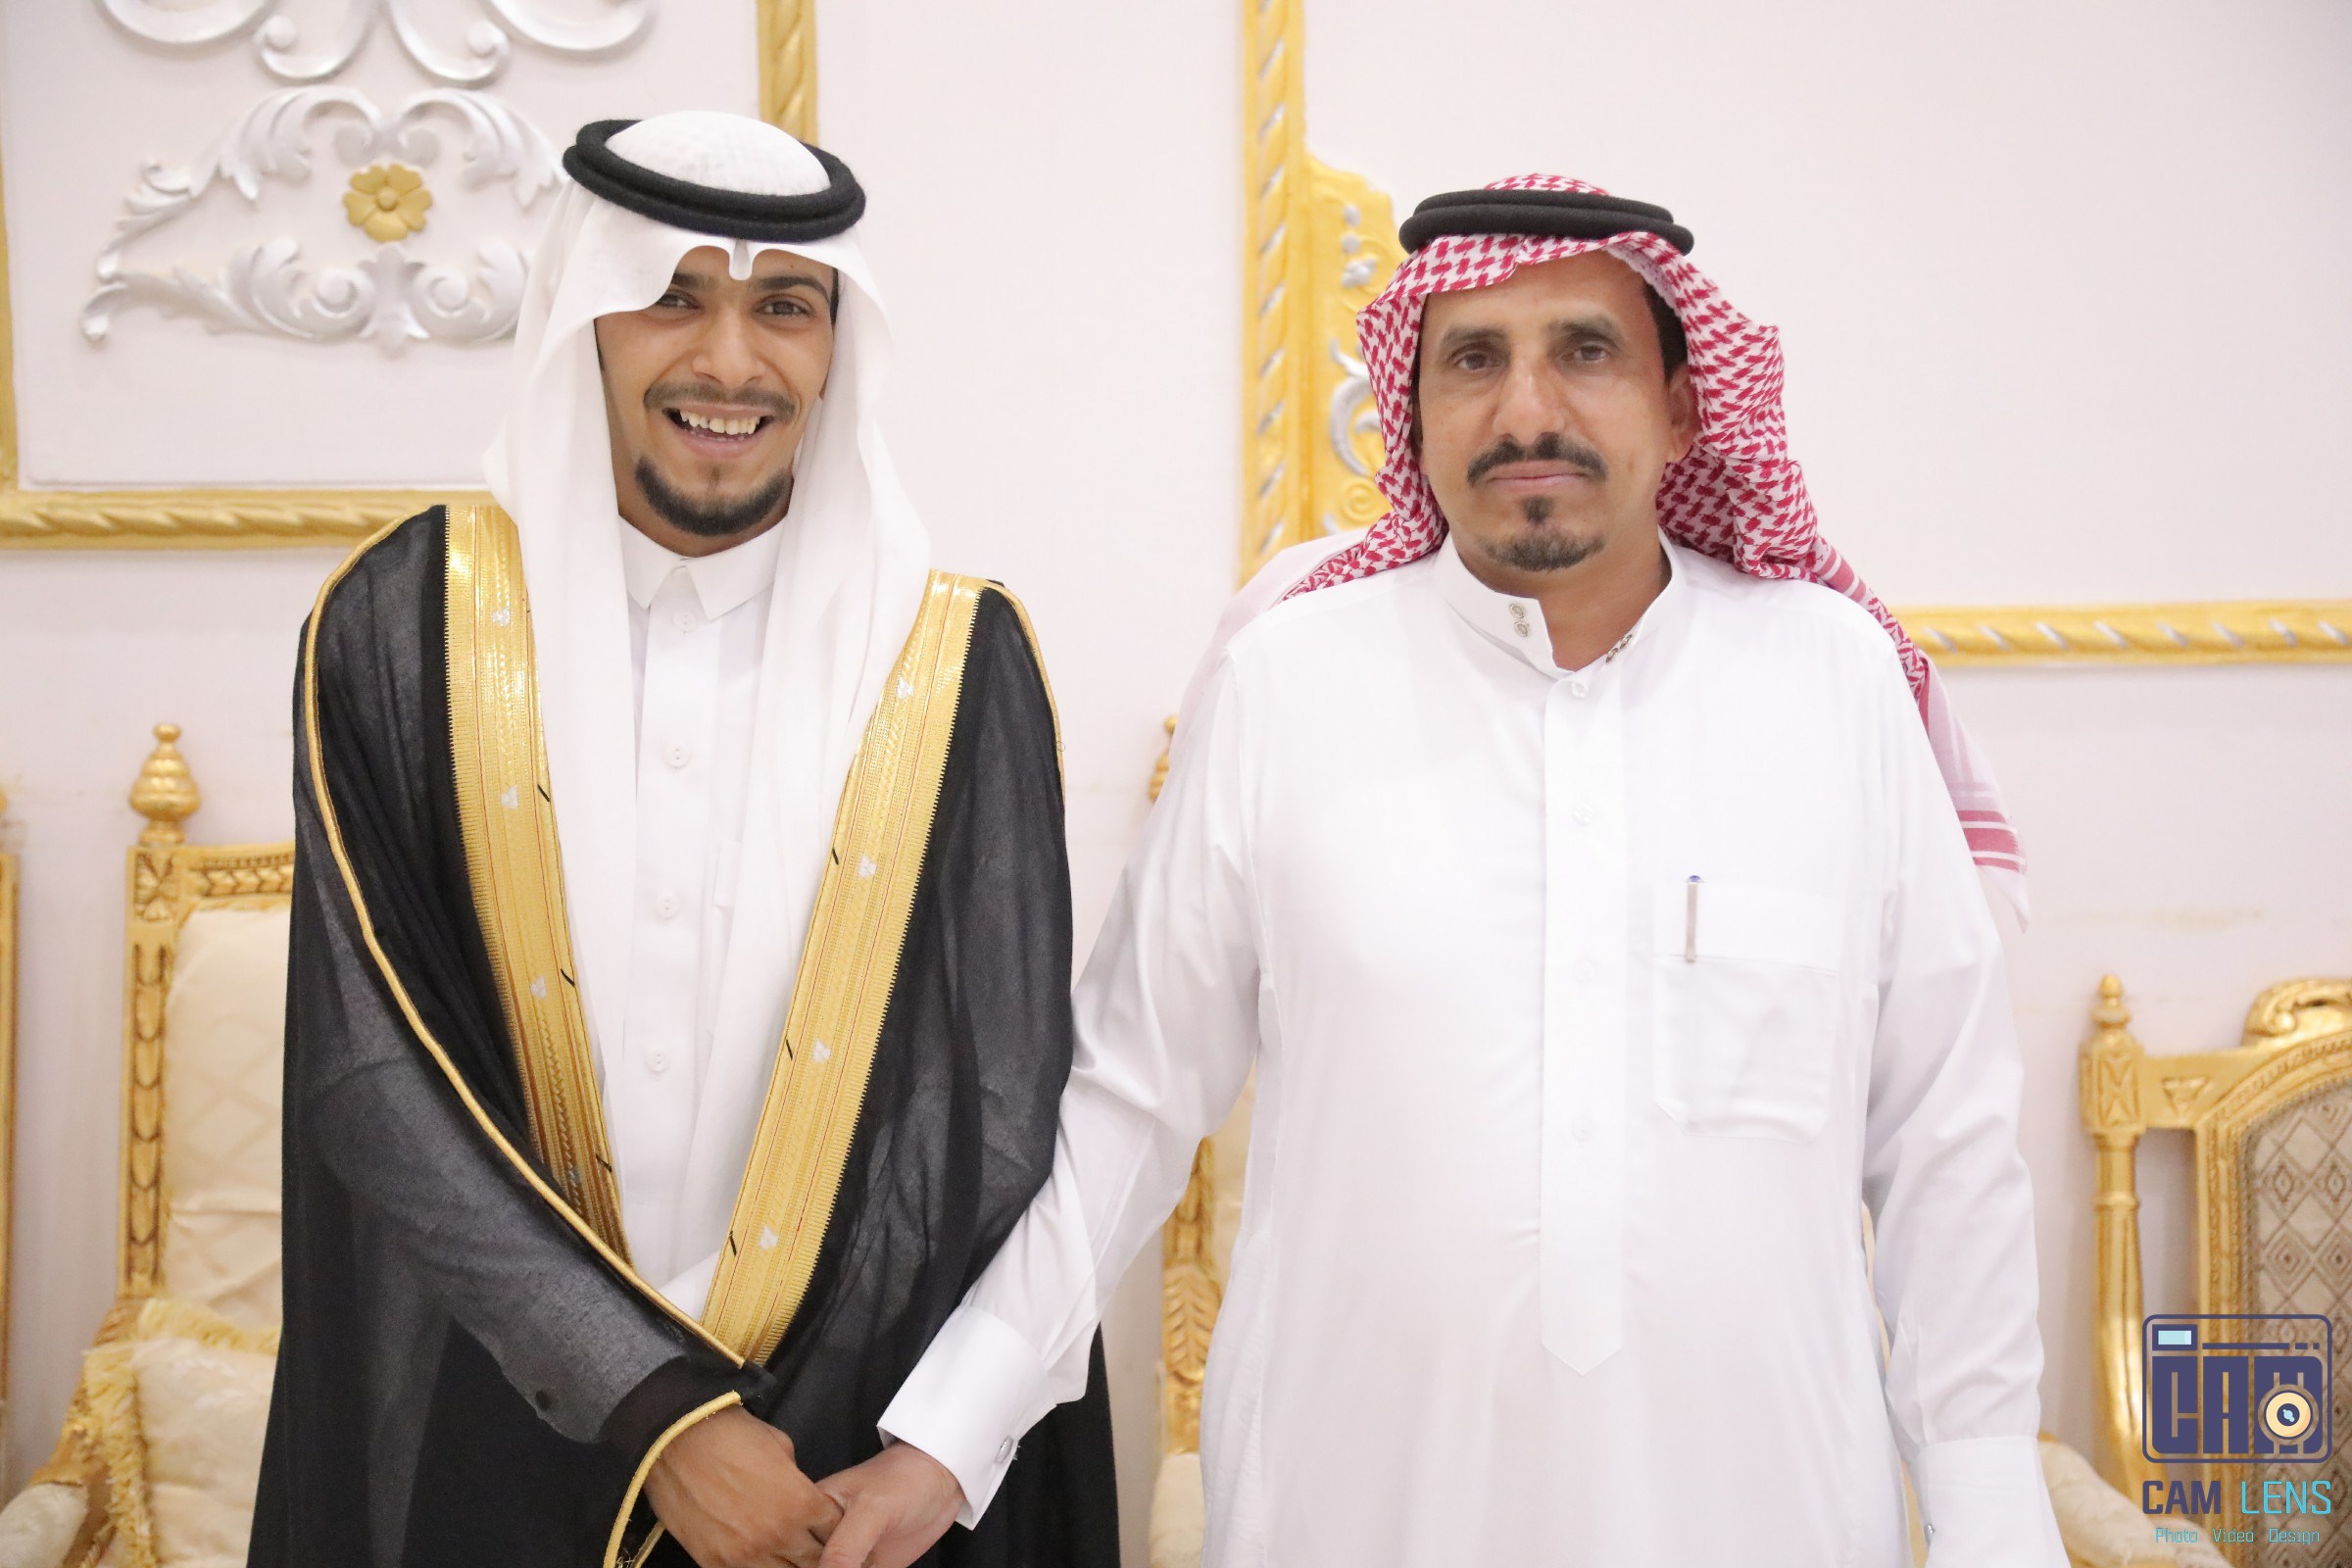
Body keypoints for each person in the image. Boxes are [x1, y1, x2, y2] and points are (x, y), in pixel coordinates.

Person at [862, 176, 2066, 1566]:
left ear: (1685, 407)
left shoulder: (1831, 681)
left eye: (1587, 351)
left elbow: (1945, 1140)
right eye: (1475, 360)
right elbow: (1129, 1100)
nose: (1526, 410)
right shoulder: (1290, 682)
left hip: (1763, 1513)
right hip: (1352, 1512)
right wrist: (950, 1433)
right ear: (1413, 410)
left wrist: (1992, 1515)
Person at [252, 111, 1116, 1568]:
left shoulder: (954, 659)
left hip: (844, 1480)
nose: (729, 361)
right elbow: (370, 1075)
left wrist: (842, 1449)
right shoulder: (403, 625)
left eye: (785, 306)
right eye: (671, 297)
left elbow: (995, 1101)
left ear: (837, 347)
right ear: (582, 322)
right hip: (504, 1427)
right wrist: (656, 1411)